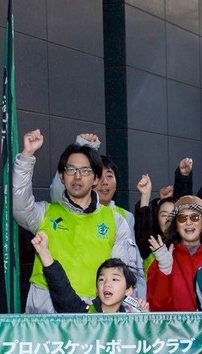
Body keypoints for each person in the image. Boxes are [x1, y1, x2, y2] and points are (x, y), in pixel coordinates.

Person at [12, 130, 136, 313]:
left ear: (95, 179)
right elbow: (19, 206)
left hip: (92, 313)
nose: (77, 176)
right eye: (71, 170)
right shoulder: (45, 213)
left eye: (85, 171)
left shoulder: (115, 221)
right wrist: (27, 156)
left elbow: (122, 273)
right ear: (62, 176)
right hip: (46, 311)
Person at [32, 232, 148, 314]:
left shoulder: (130, 320)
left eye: (115, 279)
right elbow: (62, 290)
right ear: (97, 290)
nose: (106, 284)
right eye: (101, 279)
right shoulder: (83, 313)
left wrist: (144, 319)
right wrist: (44, 253)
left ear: (128, 290)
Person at [146, 195, 202, 312]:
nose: (188, 222)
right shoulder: (162, 258)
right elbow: (155, 307)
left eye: (195, 217)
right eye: (182, 218)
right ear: (176, 226)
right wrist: (164, 269)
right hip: (175, 328)